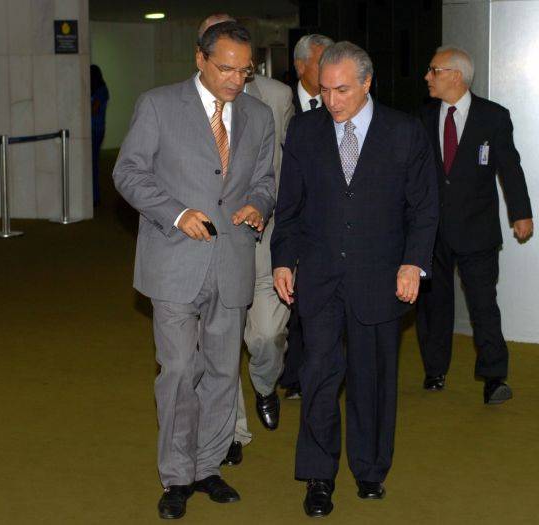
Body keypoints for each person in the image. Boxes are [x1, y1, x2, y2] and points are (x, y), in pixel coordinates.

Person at [112, 21, 276, 520]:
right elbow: (127, 172)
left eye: (244, 71)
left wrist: (258, 204)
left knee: (224, 371)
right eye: (225, 68)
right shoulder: (158, 105)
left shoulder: (259, 115)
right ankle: (177, 476)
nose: (235, 80)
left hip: (233, 259)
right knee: (180, 370)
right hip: (174, 261)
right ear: (200, 59)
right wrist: (176, 213)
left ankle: (208, 467)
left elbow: (267, 179)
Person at [271, 41, 438, 517]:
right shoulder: (304, 131)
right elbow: (290, 206)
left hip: (380, 277)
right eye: (324, 90)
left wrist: (413, 262)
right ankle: (318, 476)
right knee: (319, 376)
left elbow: (424, 207)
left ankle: (370, 469)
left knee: (373, 379)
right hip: (320, 276)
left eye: (342, 90)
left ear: (367, 83)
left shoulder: (403, 132)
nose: (332, 100)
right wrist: (283, 259)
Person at [195, 14, 294, 469]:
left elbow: (289, 168)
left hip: (265, 238)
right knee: (219, 340)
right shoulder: (183, 103)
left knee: (267, 336)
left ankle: (266, 384)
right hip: (213, 246)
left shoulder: (276, 98)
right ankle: (232, 429)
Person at [415, 45, 533, 404]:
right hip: (432, 231)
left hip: (477, 229)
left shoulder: (493, 117)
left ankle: (494, 378)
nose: (427, 77)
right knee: (433, 305)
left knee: (483, 303)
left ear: (455, 76)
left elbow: (510, 167)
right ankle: (435, 370)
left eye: (434, 70)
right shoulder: (422, 117)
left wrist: (521, 212)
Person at [278, 33, 334, 401]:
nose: (330, 69)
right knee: (289, 301)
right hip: (286, 214)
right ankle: (292, 373)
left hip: (327, 221)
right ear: (300, 67)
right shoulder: (277, 103)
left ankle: (308, 372)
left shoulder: (341, 103)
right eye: (321, 62)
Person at [90, 64, 109, 207]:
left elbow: (94, 109)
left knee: (93, 164)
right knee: (92, 164)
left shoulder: (102, 90)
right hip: (94, 130)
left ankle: (95, 196)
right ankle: (93, 195)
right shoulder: (96, 89)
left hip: (95, 130)